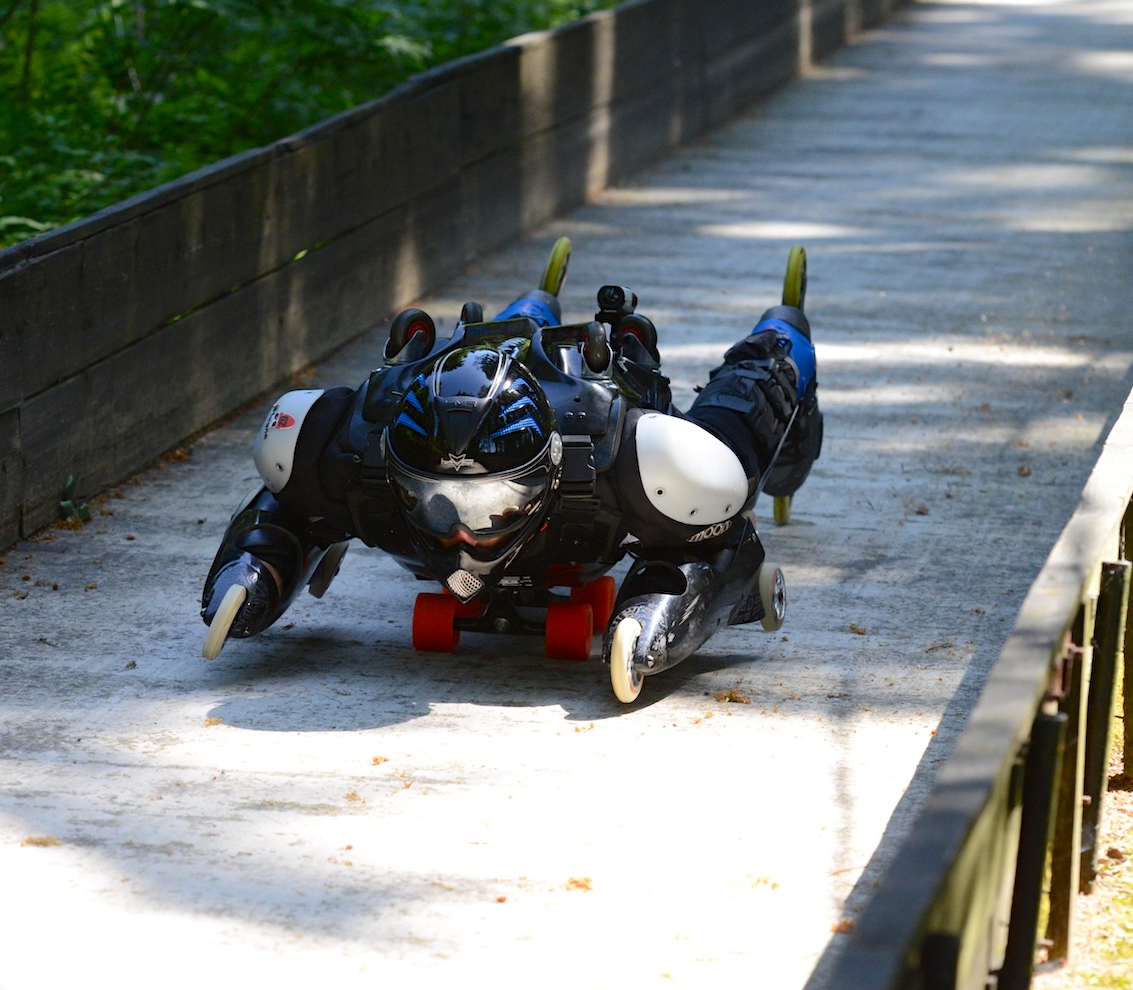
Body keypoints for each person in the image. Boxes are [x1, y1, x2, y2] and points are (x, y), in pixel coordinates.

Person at [199, 238, 822, 702]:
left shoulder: (629, 455)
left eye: (490, 503)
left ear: (548, 471)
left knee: (736, 436)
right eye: (437, 501)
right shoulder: (351, 441)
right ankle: (531, 308)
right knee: (492, 342)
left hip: (599, 408)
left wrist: (665, 595)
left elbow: (719, 534)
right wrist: (266, 558)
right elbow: (288, 498)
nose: (464, 533)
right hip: (472, 389)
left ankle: (781, 332)